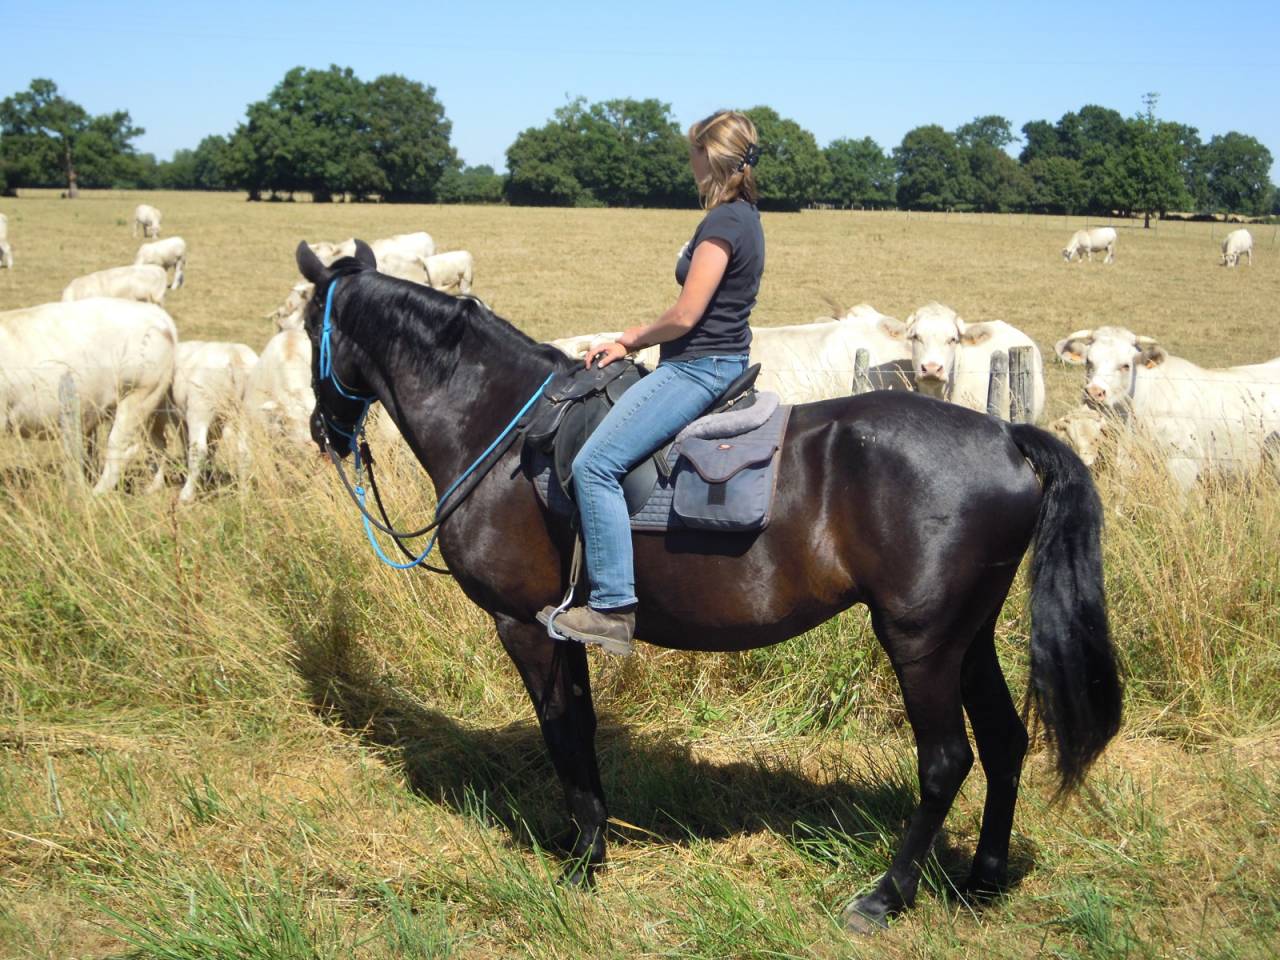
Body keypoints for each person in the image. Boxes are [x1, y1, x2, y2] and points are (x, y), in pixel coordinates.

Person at [537, 110, 766, 655]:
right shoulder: (745, 217)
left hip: (698, 367)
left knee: (594, 465)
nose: (688, 165)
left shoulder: (723, 223)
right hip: (721, 359)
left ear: (709, 158)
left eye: (692, 155)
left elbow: (687, 315)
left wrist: (630, 338)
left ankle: (612, 606)